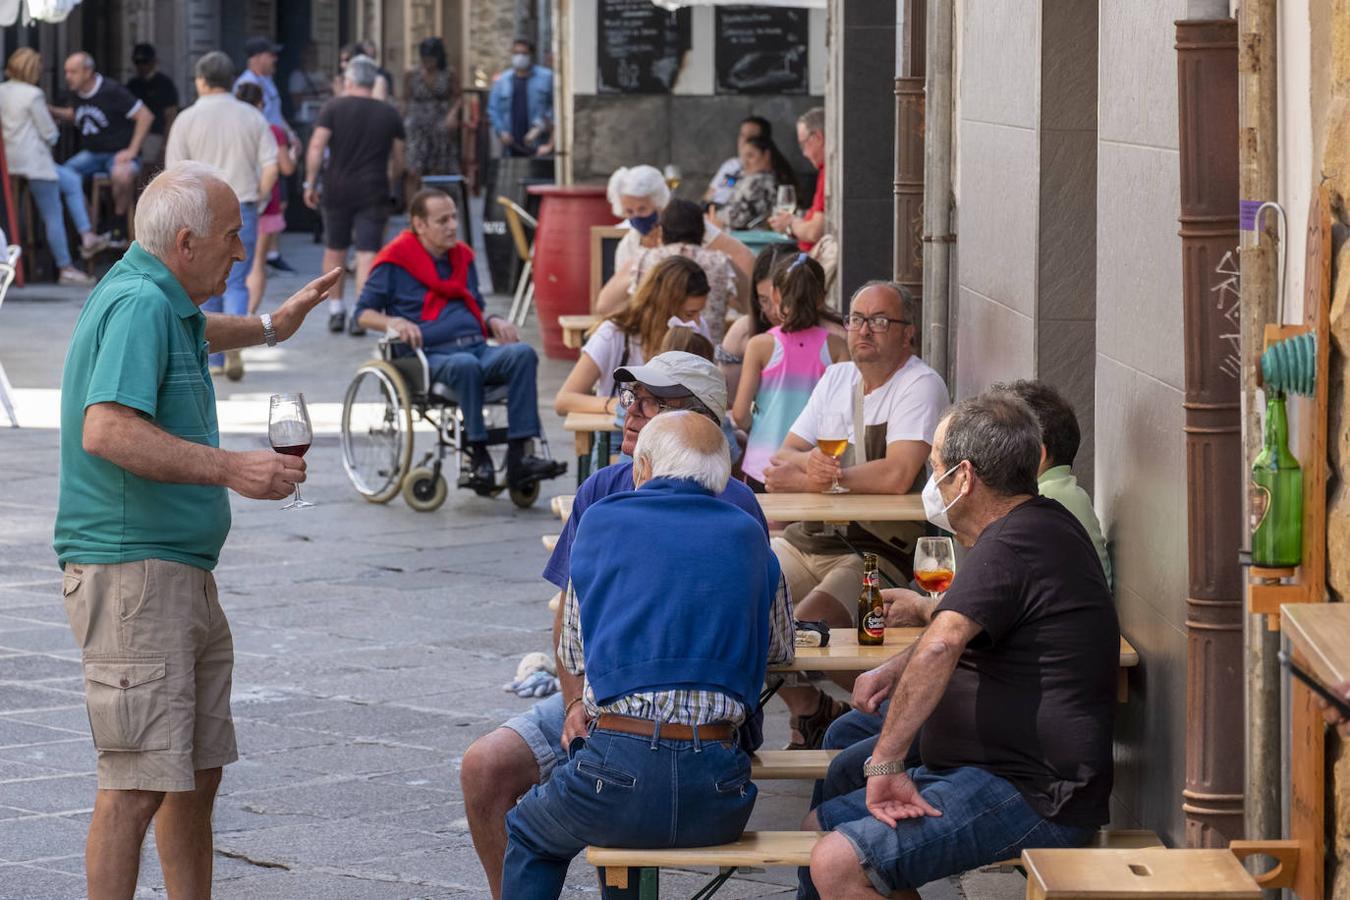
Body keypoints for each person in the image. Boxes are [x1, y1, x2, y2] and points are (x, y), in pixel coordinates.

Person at [54, 160, 341, 900]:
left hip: (173, 573)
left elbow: (200, 327)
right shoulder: (142, 305)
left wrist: (276, 324)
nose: (242, 252)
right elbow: (107, 431)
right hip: (134, 575)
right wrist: (230, 469)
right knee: (138, 783)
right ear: (186, 243)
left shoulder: (155, 295)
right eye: (232, 237)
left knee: (192, 774)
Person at [460, 351, 771, 899]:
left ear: (697, 421)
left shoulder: (740, 504)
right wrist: (577, 705)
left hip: (624, 731)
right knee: (486, 767)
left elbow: (575, 633)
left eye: (653, 403)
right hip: (660, 738)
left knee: (597, 793)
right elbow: (567, 636)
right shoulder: (600, 490)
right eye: (631, 397)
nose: (630, 411)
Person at [801, 391, 1118, 899]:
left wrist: (886, 764)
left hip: (1034, 792)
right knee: (820, 826)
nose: (933, 483)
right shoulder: (1025, 529)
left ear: (964, 477)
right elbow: (953, 627)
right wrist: (894, 668)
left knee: (839, 861)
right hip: (991, 770)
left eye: (936, 468)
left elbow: (941, 645)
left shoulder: (1016, 542)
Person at [765, 281, 949, 749]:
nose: (864, 329)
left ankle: (907, 723)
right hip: (807, 538)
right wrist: (813, 472)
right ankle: (811, 711)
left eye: (880, 320)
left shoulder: (920, 385)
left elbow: (897, 473)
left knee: (810, 630)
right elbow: (783, 455)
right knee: (744, 603)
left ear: (908, 334)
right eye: (856, 319)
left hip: (874, 549)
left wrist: (822, 477)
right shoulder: (836, 378)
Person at [353, 187, 562, 490]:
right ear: (419, 224)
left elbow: (474, 307)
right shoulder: (395, 261)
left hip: (476, 345)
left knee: (522, 353)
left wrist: (492, 320)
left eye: (454, 217)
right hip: (428, 355)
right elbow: (362, 313)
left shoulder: (462, 257)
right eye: (443, 220)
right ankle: (477, 456)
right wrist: (393, 321)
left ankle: (519, 458)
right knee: (465, 365)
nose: (453, 225)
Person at [879, 378, 1114, 632]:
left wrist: (920, 608)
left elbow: (978, 611)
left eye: (998, 444)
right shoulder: (1053, 500)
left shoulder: (1040, 510)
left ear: (1036, 454)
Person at [166, 51, 278, 382]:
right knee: (237, 279)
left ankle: (212, 356)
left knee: (203, 283)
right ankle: (235, 344)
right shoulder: (252, 117)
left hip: (198, 210)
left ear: (201, 80)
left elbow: (174, 171)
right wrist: (260, 195)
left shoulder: (186, 119)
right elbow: (271, 163)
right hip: (241, 204)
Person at [305, 55, 405, 336]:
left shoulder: (333, 107)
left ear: (348, 80)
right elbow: (399, 158)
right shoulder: (389, 113)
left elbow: (316, 146)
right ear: (373, 82)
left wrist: (309, 183)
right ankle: (361, 312)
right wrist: (391, 180)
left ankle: (336, 309)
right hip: (374, 188)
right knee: (367, 253)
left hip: (336, 187)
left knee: (335, 249)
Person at [733, 254, 847, 491]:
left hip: (763, 464)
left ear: (775, 295)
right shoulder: (837, 348)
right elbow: (842, 413)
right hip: (815, 465)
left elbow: (741, 414)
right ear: (821, 299)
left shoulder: (760, 345)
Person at [554, 255, 710, 417]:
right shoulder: (614, 334)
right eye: (690, 313)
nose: (697, 321)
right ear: (664, 307)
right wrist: (617, 404)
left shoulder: (696, 328)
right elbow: (564, 400)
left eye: (699, 312)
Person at [0, 48, 106, 285]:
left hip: (10, 165)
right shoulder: (33, 94)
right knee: (53, 213)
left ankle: (86, 234)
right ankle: (65, 266)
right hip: (35, 164)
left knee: (70, 179)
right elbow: (50, 133)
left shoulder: (2, 91)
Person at [597, 199, 743, 344]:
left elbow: (604, 305)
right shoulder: (721, 262)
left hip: (653, 355)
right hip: (707, 356)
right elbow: (748, 305)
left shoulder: (644, 259)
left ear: (661, 230)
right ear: (703, 231)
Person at [50, 52, 154, 243]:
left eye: (73, 72)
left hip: (119, 152)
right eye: (66, 72)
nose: (67, 77)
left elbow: (145, 116)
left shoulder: (111, 90)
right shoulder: (76, 92)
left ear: (88, 72)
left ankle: (118, 221)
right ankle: (91, 222)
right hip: (92, 153)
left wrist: (131, 150)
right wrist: (50, 109)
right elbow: (76, 114)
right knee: (64, 174)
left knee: (121, 175)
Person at [607, 163, 754, 282]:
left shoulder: (690, 225)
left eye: (642, 209)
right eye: (629, 211)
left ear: (659, 204)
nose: (636, 217)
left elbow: (743, 256)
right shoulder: (628, 245)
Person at [235, 81, 296, 316]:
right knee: (257, 263)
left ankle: (237, 314)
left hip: (237, 197)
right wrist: (292, 155)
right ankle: (248, 315)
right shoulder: (271, 130)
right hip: (266, 200)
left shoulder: (233, 128)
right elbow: (286, 168)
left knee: (235, 265)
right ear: (260, 104)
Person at [719, 242, 799, 402]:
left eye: (782, 299)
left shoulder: (833, 336)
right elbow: (727, 403)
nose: (774, 310)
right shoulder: (743, 332)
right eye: (764, 300)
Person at [403, 36, 462, 199]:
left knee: (439, 168)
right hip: (417, 124)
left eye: (431, 59)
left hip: (440, 123)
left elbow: (458, 97)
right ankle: (412, 209)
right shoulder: (412, 74)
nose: (428, 62)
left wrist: (452, 114)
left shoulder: (448, 73)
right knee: (414, 168)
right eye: (425, 58)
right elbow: (405, 99)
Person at [769, 106, 826, 251]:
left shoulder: (827, 173)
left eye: (803, 144)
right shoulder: (824, 170)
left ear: (818, 138)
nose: (804, 153)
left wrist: (789, 223)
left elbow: (814, 232)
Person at [488, 38, 553, 158]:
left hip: (538, 144)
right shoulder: (502, 80)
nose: (520, 57)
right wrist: (501, 131)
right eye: (516, 53)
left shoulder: (547, 78)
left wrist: (540, 126)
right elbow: (493, 109)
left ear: (531, 55)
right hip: (511, 145)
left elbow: (555, 106)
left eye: (524, 53)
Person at [126, 43, 178, 167]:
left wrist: (166, 143)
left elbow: (170, 114)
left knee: (148, 167)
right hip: (132, 135)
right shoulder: (132, 85)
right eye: (137, 62)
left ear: (154, 62)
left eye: (145, 61)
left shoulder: (165, 84)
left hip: (156, 134)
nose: (141, 66)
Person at [716, 135, 781, 230]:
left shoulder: (759, 181)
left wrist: (715, 217)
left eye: (750, 156)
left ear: (766, 155)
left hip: (750, 239)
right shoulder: (749, 178)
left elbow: (737, 219)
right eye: (743, 157)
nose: (745, 162)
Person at [234, 37, 286, 131]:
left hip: (275, 138)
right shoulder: (247, 83)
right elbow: (248, 120)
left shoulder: (267, 80)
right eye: (271, 55)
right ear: (257, 57)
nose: (275, 59)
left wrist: (289, 133)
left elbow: (275, 112)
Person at [287, 41, 333, 125]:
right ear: (302, 55)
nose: (313, 56)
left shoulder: (323, 75)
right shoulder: (297, 76)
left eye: (315, 52)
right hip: (306, 120)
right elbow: (296, 103)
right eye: (309, 53)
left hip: (324, 120)